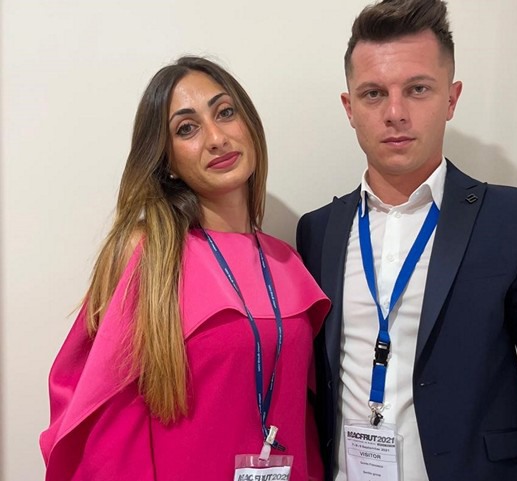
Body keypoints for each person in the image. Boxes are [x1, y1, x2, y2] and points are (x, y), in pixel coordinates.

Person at [296, 1, 517, 480]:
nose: (395, 113)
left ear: (451, 99)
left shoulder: (513, 221)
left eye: (417, 89)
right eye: (374, 94)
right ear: (350, 108)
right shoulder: (317, 231)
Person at [40, 56, 330, 481]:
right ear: (167, 162)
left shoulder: (287, 261)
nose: (216, 138)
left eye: (225, 113)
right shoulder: (149, 255)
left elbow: (302, 415)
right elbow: (100, 421)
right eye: (187, 128)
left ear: (249, 124)